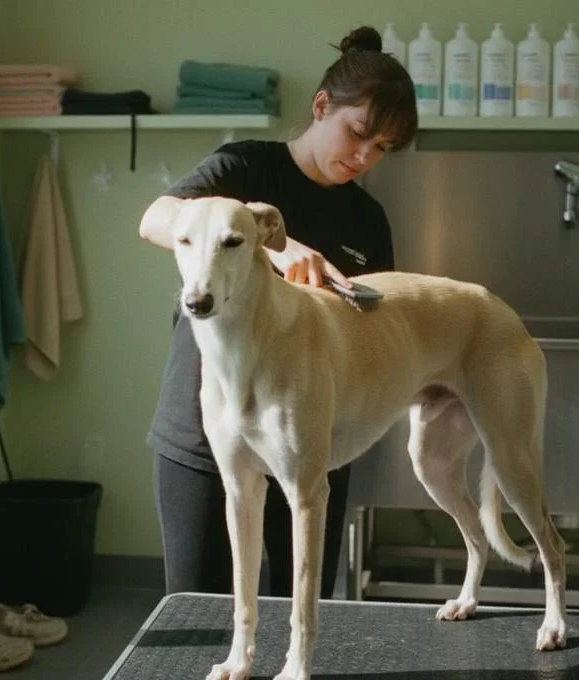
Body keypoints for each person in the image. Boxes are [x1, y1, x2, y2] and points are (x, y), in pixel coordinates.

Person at [141, 25, 418, 599]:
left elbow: (373, 326)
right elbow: (157, 218)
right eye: (358, 133)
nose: (364, 157)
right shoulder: (242, 169)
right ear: (322, 106)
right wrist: (273, 245)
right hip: (205, 432)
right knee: (198, 610)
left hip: (309, 433)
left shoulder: (368, 220)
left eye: (382, 148)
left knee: (298, 607)